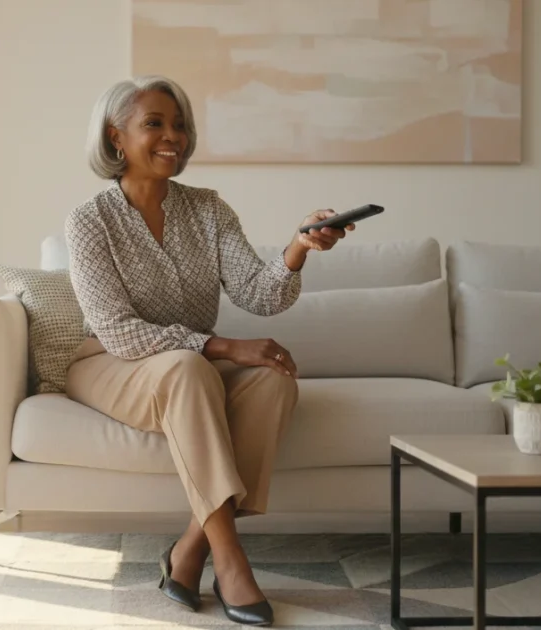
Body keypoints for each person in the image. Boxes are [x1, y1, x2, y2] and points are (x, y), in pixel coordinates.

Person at [64, 76, 353, 626]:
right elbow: (119, 331)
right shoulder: (89, 221)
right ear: (115, 137)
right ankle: (230, 557)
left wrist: (299, 246)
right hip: (107, 361)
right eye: (155, 123)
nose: (173, 135)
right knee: (190, 367)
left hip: (184, 366)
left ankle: (190, 548)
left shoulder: (209, 210)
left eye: (179, 125)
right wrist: (220, 345)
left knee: (271, 375)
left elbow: (258, 293)